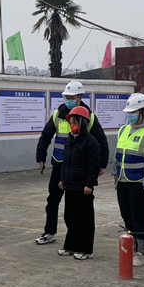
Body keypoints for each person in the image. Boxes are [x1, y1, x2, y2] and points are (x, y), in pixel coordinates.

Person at [35, 80, 109, 245]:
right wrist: (40, 157)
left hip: (78, 169)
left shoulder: (88, 117)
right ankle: (49, 232)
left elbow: (101, 141)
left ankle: (77, 239)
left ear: (80, 97)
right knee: (53, 201)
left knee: (77, 206)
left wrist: (102, 164)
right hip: (59, 165)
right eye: (66, 97)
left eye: (71, 97)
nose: (68, 100)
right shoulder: (58, 115)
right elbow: (45, 136)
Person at [113, 92, 144, 267]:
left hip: (140, 184)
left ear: (143, 112)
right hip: (123, 181)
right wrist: (115, 174)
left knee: (138, 218)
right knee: (127, 217)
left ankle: (142, 253)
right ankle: (132, 247)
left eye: (133, 112)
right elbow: (118, 154)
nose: (130, 115)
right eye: (128, 112)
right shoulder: (124, 130)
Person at [57, 105, 99, 260]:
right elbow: (66, 162)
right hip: (70, 185)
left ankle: (85, 249)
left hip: (83, 187)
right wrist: (62, 179)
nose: (72, 126)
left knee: (85, 219)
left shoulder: (90, 142)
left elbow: (93, 165)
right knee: (70, 217)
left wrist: (89, 184)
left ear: (83, 123)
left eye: (75, 123)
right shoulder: (70, 140)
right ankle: (71, 245)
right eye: (71, 123)